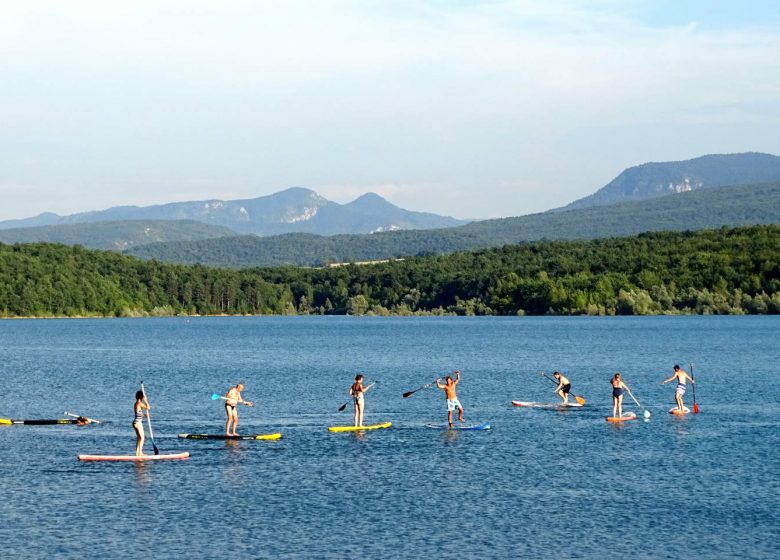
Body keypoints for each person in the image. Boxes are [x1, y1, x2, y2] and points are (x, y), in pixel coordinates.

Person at [133, 390, 150, 456]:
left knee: (139, 438)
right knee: (142, 438)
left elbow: (138, 414)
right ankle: (140, 453)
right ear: (141, 397)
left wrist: (145, 415)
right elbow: (148, 408)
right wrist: (146, 401)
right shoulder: (139, 403)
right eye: (142, 397)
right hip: (138, 423)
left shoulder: (136, 403)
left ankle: (137, 453)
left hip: (135, 423)